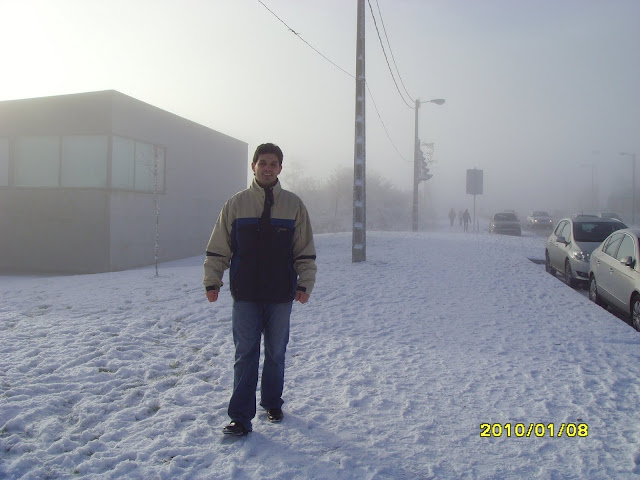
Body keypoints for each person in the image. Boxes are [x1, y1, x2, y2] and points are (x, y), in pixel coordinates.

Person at [203, 142, 317, 436]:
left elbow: (303, 248)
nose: (267, 168)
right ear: (253, 166)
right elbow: (219, 246)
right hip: (246, 294)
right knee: (245, 355)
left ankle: (271, 402)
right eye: (262, 162)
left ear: (280, 168)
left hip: (280, 294)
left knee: (276, 352)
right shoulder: (236, 204)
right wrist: (212, 279)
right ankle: (240, 418)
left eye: (273, 163)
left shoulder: (294, 205)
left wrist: (305, 282)